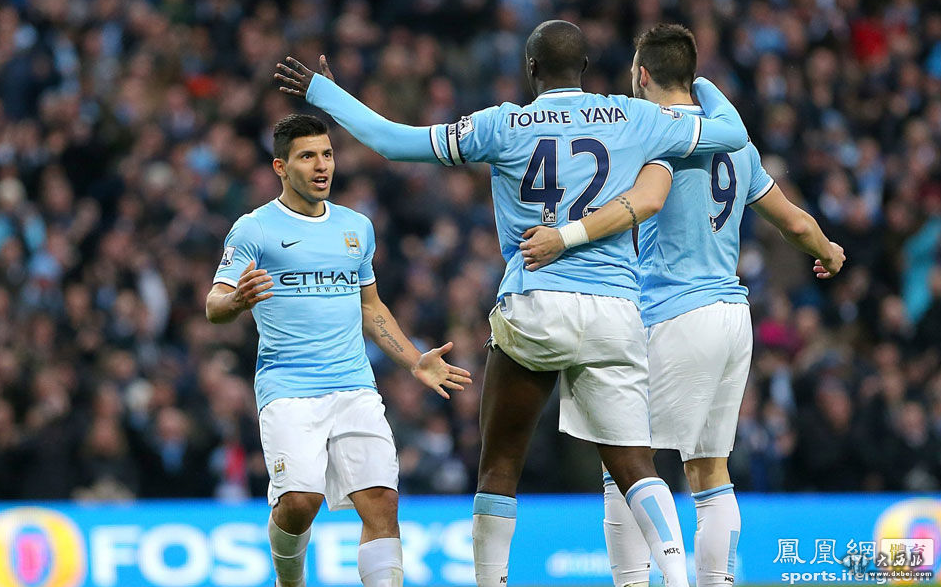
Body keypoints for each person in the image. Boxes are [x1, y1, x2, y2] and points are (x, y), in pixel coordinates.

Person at [275, 20, 749, 587]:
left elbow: (391, 140)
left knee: (499, 465)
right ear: (585, 69)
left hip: (535, 304)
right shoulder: (633, 116)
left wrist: (324, 93)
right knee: (635, 466)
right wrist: (701, 83)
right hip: (615, 310)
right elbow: (731, 133)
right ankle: (676, 576)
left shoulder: (502, 124)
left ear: (531, 70)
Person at [519, 24, 845, 587]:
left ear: (642, 74)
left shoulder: (655, 137)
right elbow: (794, 223)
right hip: (732, 317)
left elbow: (634, 201)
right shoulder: (736, 142)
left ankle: (636, 582)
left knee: (624, 460)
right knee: (710, 472)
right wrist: (828, 250)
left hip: (675, 312)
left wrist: (567, 237)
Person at [205, 113, 472, 587]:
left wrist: (414, 360)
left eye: (327, 154)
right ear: (281, 167)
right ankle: (290, 580)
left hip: (354, 387)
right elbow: (213, 305)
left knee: (382, 502)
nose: (322, 165)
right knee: (299, 503)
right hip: (288, 389)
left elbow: (370, 306)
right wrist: (237, 301)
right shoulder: (254, 229)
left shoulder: (356, 227)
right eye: (307, 156)